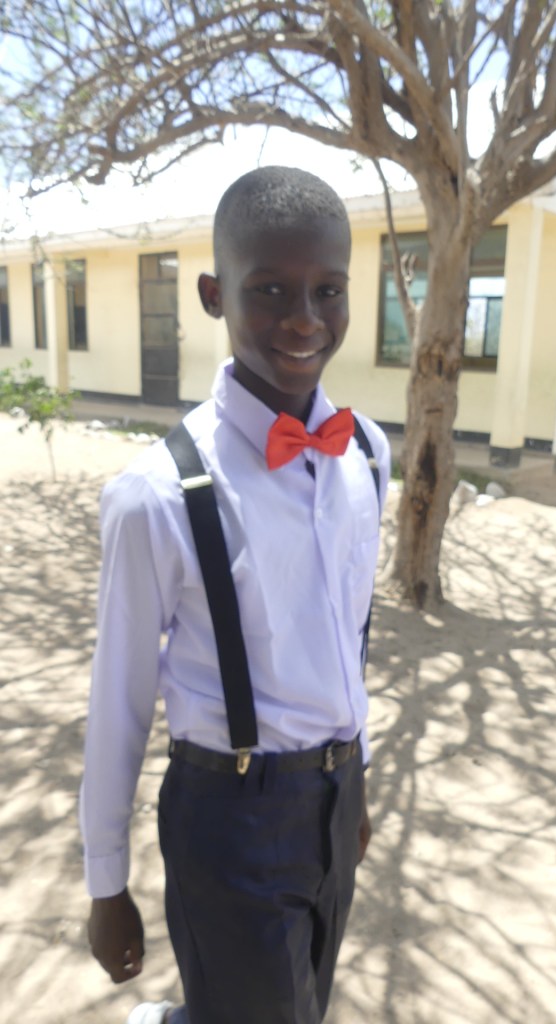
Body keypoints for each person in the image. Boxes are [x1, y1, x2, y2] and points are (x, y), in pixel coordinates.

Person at [80, 165, 390, 1024]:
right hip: (229, 818)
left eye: (328, 290)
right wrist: (106, 882)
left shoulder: (367, 453)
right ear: (214, 295)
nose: (305, 318)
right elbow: (117, 701)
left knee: (300, 1007)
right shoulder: (157, 495)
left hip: (333, 799)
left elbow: (348, 637)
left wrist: (355, 780)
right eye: (270, 290)